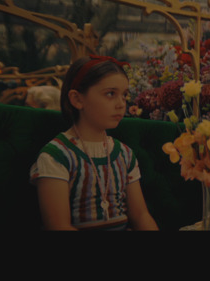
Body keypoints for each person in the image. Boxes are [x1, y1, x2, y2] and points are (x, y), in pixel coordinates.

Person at [29, 55, 159, 230]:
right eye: (110, 94)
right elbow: (58, 226)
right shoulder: (56, 156)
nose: (121, 104)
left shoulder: (124, 153)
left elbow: (141, 215)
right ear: (77, 99)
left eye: (124, 95)